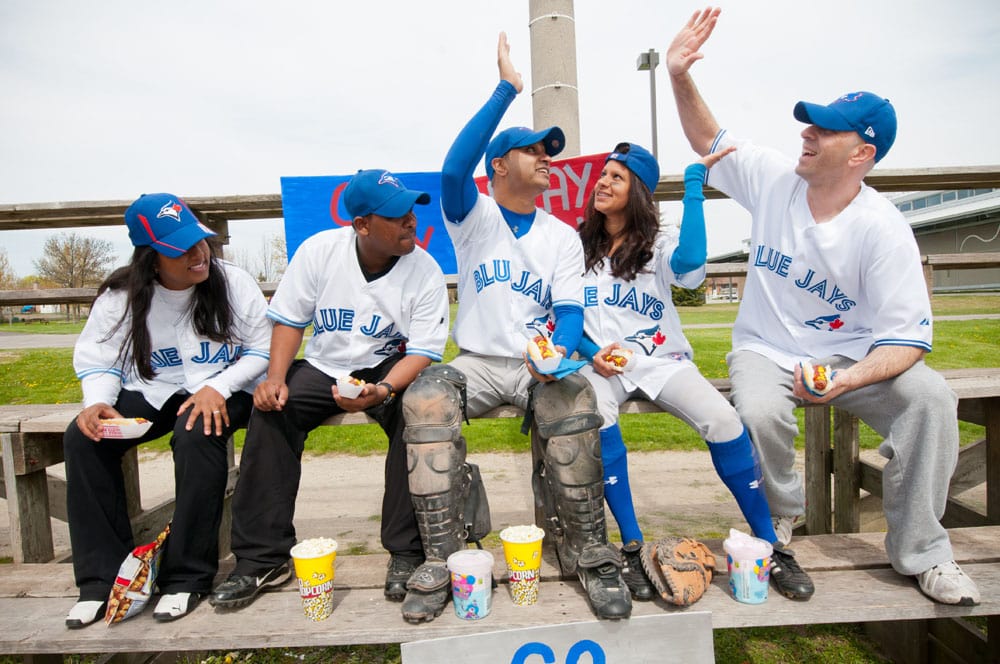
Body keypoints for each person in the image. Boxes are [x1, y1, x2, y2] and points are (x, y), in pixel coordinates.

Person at [665, 7, 980, 606]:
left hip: (849, 357)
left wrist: (845, 380)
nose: (805, 134)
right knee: (756, 411)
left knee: (932, 399)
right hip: (764, 347)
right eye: (809, 124)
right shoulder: (776, 178)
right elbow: (711, 138)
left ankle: (924, 551)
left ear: (861, 154)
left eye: (824, 129)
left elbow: (907, 340)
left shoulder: (882, 228)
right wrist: (679, 73)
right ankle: (779, 519)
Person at [398, 33, 631, 624]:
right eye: (533, 150)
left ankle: (585, 549)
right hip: (477, 361)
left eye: (549, 150)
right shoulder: (473, 216)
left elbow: (571, 312)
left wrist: (558, 354)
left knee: (575, 397)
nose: (547, 157)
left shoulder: (558, 235)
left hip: (535, 361)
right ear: (500, 166)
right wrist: (507, 90)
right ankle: (442, 556)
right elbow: (454, 167)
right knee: (425, 397)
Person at [575, 141, 814, 601]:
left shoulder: (658, 243)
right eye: (603, 175)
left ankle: (770, 544)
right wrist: (587, 351)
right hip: (601, 365)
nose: (603, 182)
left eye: (617, 177)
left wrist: (692, 187)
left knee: (724, 420)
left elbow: (690, 265)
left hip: (661, 359)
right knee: (597, 418)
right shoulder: (577, 243)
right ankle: (631, 545)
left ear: (639, 192)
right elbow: (563, 310)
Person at [209, 169, 450, 610]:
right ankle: (262, 557)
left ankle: (406, 551)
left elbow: (422, 353)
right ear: (361, 225)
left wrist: (384, 391)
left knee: (415, 412)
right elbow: (289, 321)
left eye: (410, 212)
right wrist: (275, 379)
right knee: (274, 409)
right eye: (396, 216)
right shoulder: (320, 251)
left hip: (389, 365)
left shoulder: (425, 269)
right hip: (326, 365)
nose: (410, 222)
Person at [63, 193, 272, 627]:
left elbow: (261, 351)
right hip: (155, 389)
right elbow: (98, 359)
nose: (199, 255)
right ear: (150, 258)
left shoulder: (232, 282)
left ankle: (188, 577)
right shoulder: (122, 295)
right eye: (182, 249)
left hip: (226, 384)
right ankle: (102, 581)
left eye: (200, 242)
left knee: (198, 431)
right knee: (83, 438)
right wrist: (97, 402)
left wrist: (219, 385)